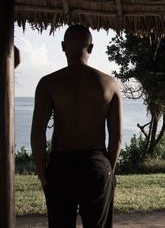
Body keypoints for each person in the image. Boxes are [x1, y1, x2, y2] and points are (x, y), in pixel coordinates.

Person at [31, 25, 122, 228]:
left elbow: (37, 134)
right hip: (96, 166)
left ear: (63, 47)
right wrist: (110, 171)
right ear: (91, 48)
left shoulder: (48, 83)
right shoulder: (110, 84)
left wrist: (43, 176)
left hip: (60, 167)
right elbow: (116, 137)